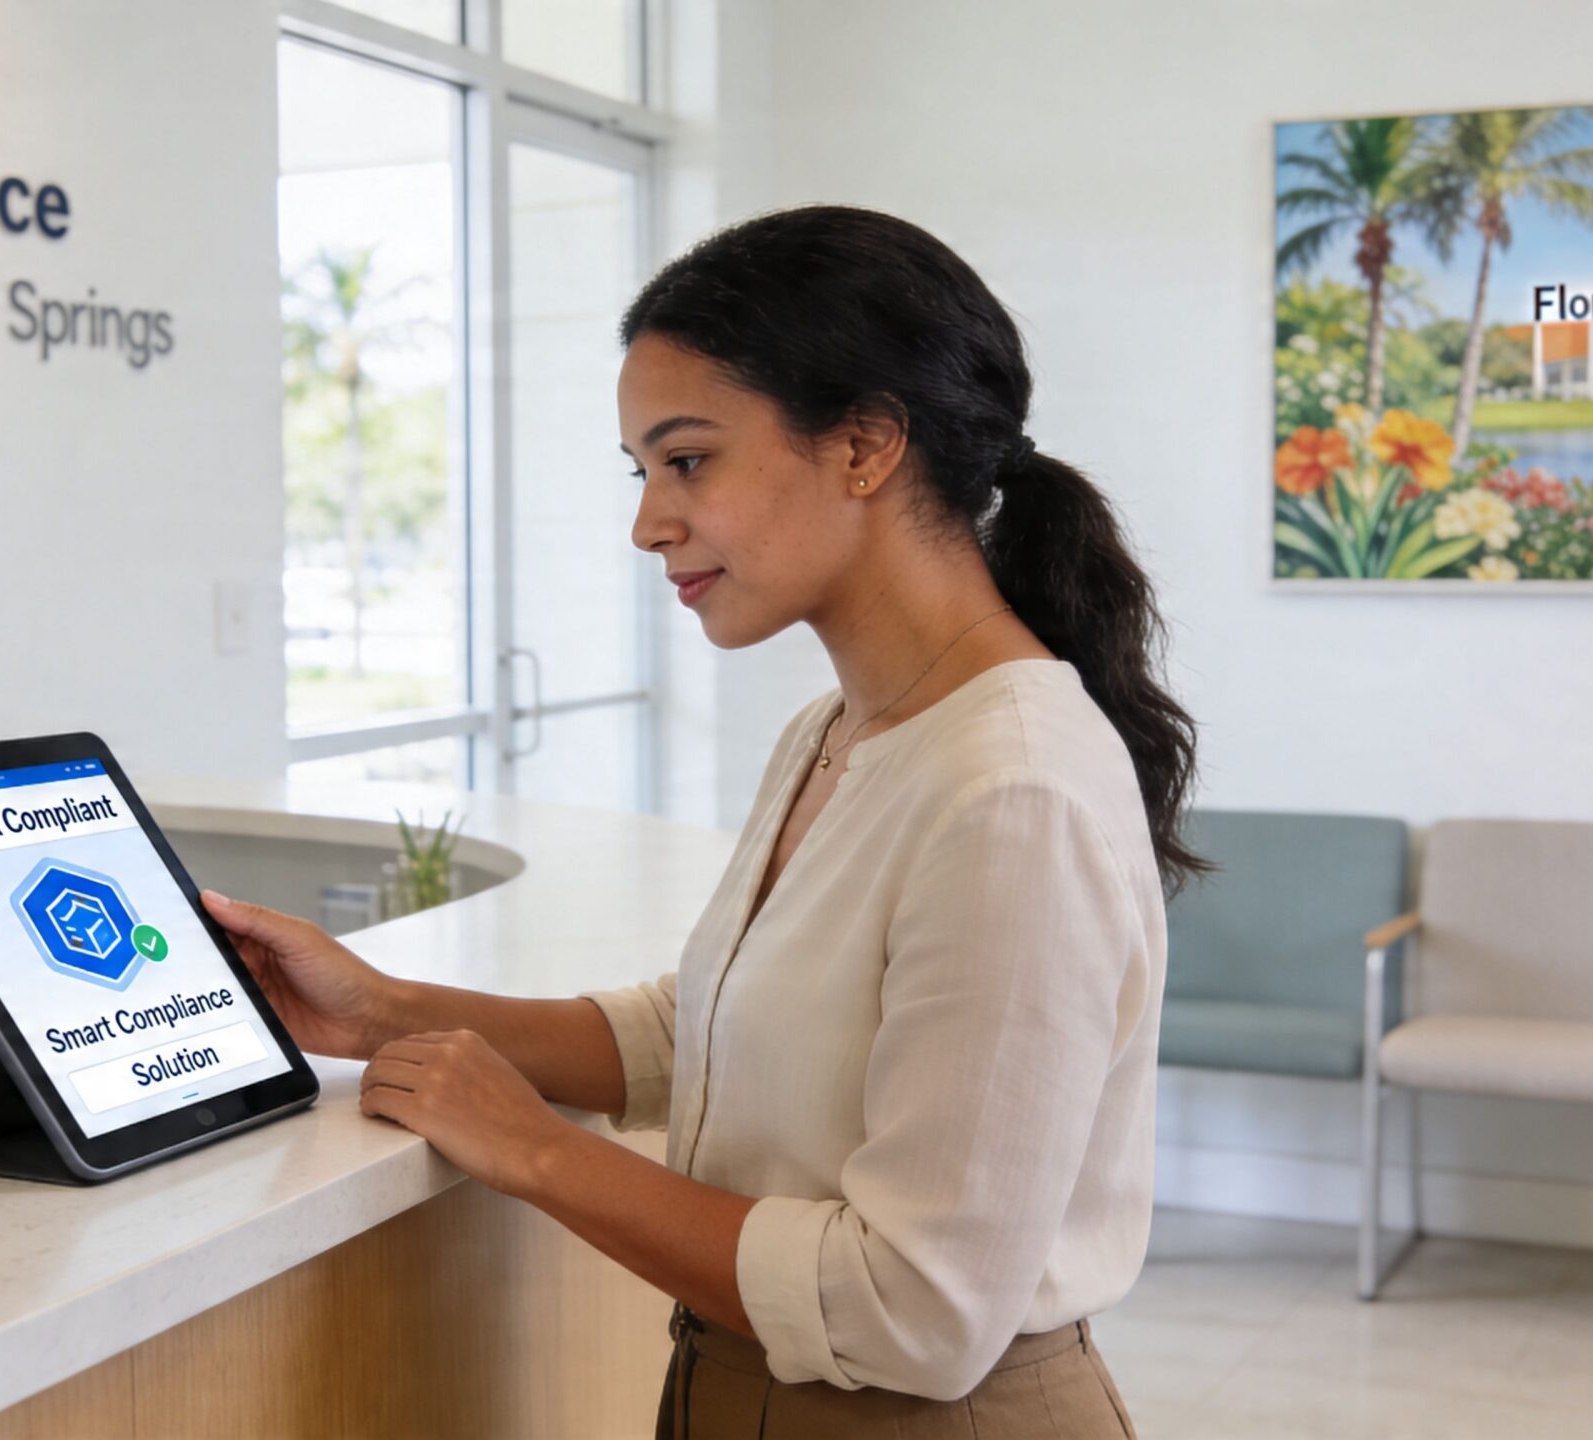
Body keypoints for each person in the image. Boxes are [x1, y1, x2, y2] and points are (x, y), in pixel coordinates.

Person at [201, 204, 1202, 1438]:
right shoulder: (837, 732)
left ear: (866, 446)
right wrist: (384, 1009)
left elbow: (919, 1312)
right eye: (643, 472)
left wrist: (539, 1152)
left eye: (687, 461)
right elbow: (706, 1030)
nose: (647, 522)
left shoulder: (1010, 792)